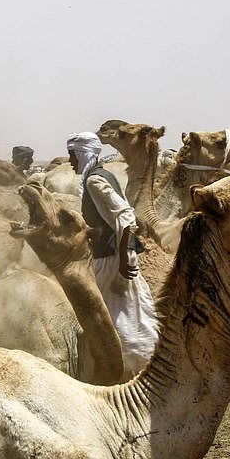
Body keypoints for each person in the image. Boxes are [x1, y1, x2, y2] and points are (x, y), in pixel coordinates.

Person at [68, 131, 158, 374]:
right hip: (111, 256)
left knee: (113, 316)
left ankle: (127, 370)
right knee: (129, 314)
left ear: (82, 153)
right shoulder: (102, 174)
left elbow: (126, 217)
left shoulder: (94, 181)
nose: (70, 162)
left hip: (110, 259)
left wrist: (120, 257)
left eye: (72, 155)